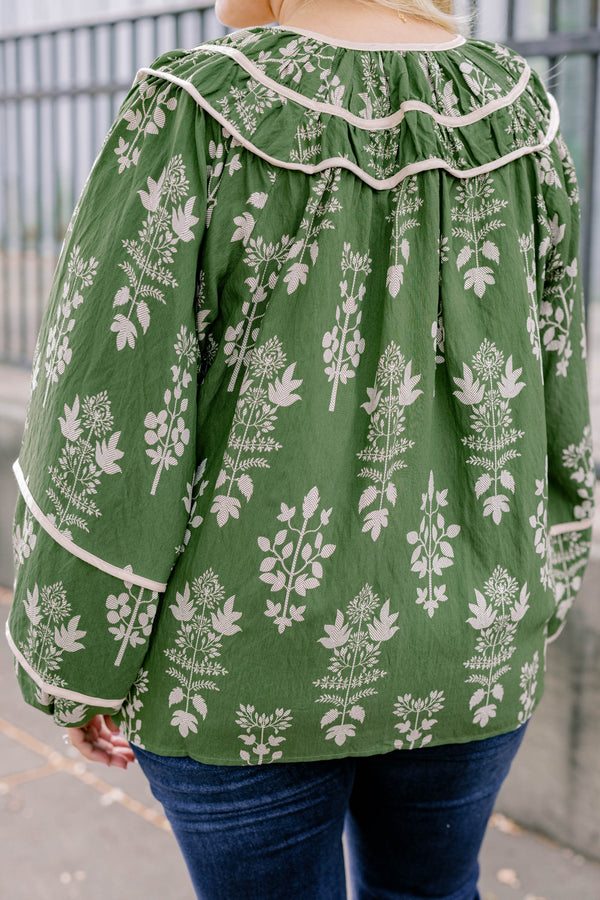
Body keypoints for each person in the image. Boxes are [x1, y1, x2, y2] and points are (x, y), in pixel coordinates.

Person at [5, 0, 596, 897]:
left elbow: (109, 407)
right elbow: (561, 389)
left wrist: (76, 656)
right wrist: (546, 585)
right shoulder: (524, 121)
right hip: (471, 636)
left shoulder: (196, 107)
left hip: (236, 663)